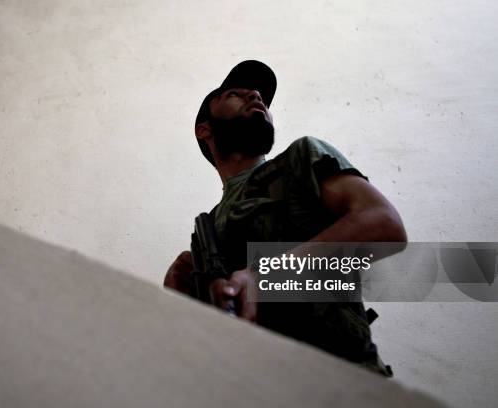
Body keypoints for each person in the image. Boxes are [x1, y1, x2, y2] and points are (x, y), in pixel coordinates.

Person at [163, 60, 406, 376]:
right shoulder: (207, 235)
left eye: (260, 96)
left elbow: (384, 225)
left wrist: (262, 276)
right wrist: (183, 291)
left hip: (341, 377)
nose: (255, 95)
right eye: (234, 94)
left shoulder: (301, 159)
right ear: (204, 130)